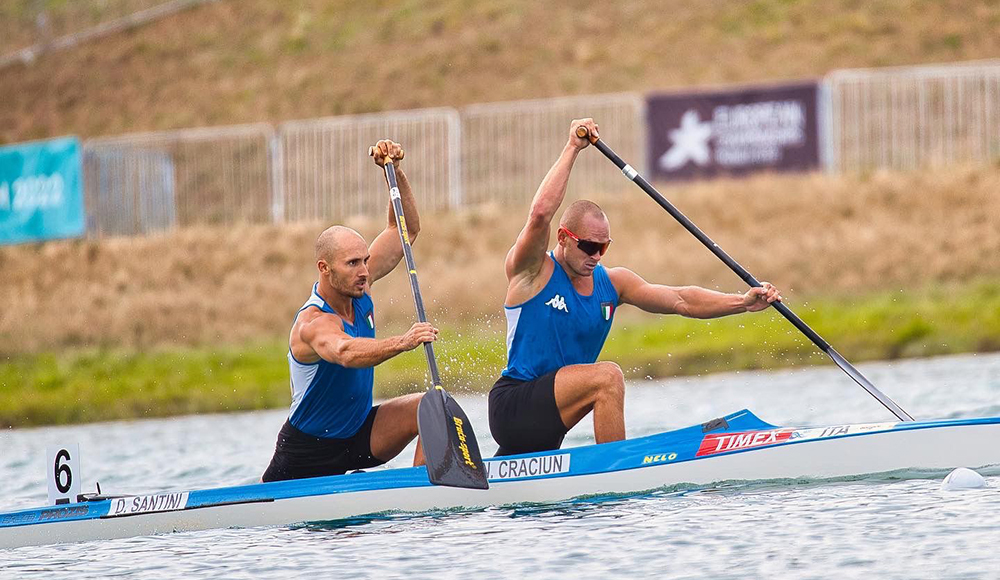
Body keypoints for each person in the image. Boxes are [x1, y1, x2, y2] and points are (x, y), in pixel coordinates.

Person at [489, 119, 783, 456]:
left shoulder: (613, 283)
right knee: (607, 377)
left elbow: (681, 300)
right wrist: (572, 148)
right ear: (563, 238)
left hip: (547, 425)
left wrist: (742, 302)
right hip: (513, 406)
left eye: (604, 247)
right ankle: (619, 468)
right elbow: (540, 214)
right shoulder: (531, 271)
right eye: (588, 247)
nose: (596, 256)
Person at [262, 139, 438, 482]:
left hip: (358, 435)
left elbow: (404, 230)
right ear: (324, 268)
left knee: (433, 408)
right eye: (353, 263)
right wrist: (402, 343)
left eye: (366, 261)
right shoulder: (312, 323)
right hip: (307, 452)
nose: (364, 271)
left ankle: (424, 491)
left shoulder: (361, 288)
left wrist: (395, 173)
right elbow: (343, 351)